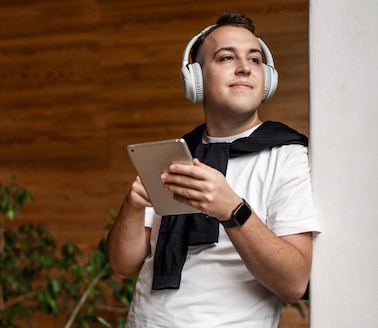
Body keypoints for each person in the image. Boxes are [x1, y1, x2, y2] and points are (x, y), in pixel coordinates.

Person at [106, 10, 321, 327]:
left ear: (268, 79)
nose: (245, 68)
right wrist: (133, 206)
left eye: (255, 59)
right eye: (226, 58)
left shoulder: (288, 156)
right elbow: (122, 265)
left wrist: (232, 209)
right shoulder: (175, 155)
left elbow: (294, 283)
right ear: (195, 78)